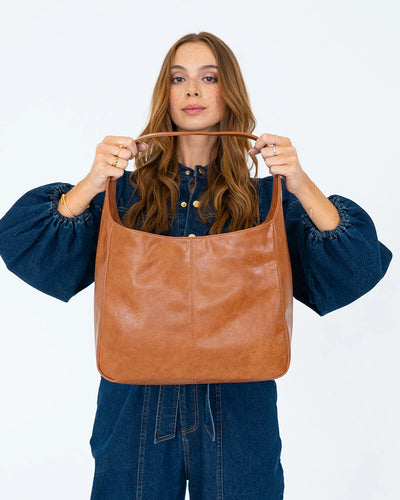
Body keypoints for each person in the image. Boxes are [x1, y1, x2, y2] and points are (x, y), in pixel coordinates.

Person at [0, 31, 393, 500]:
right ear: (163, 94)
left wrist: (301, 183)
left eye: (209, 78)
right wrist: (90, 182)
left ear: (229, 93)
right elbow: (24, 245)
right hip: (135, 409)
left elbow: (359, 265)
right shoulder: (122, 195)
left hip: (239, 410)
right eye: (178, 78)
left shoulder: (266, 202)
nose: (192, 91)